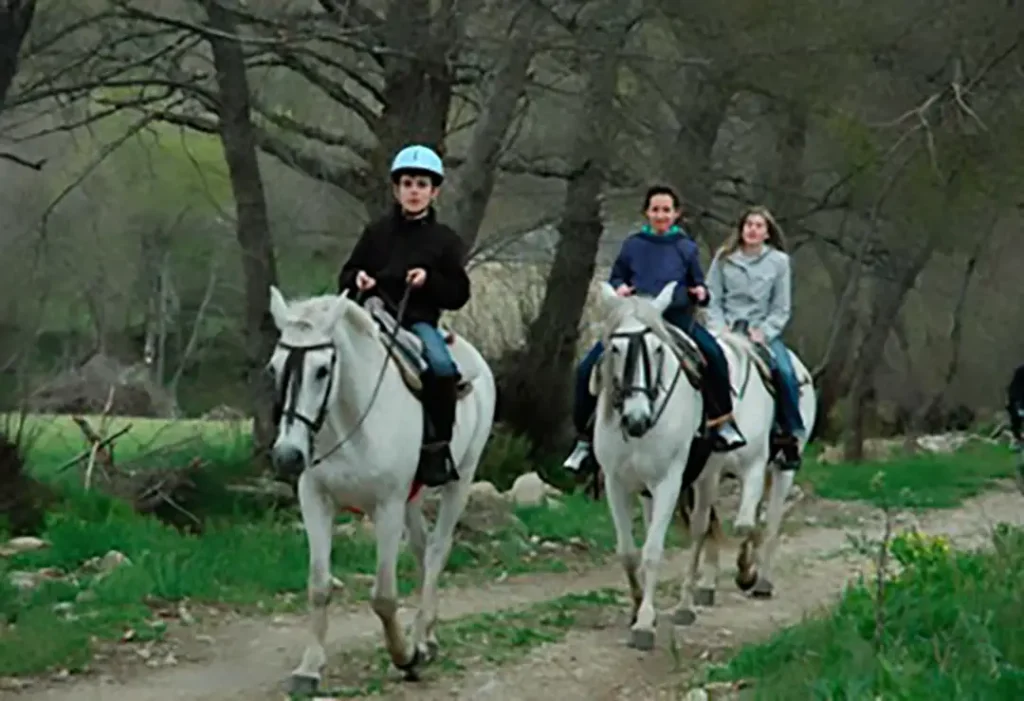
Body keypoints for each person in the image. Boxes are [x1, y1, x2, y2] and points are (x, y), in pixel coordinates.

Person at [563, 185, 747, 472]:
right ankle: (584, 440)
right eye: (655, 210)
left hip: (676, 319)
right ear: (647, 212)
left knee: (714, 355)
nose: (660, 215)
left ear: (676, 214)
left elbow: (698, 282)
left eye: (666, 210)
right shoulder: (633, 244)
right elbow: (616, 278)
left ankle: (722, 422)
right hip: (635, 319)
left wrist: (700, 292)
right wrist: (619, 288)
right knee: (588, 368)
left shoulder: (686, 247)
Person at [336, 144, 470, 487]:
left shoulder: (445, 240)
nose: (414, 191)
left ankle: (437, 450)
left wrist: (429, 281)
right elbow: (348, 272)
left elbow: (459, 292)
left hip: (416, 321)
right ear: (397, 189)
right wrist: (358, 279)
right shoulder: (376, 232)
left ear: (434, 191)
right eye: (408, 183)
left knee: (442, 368)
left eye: (422, 184)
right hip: (370, 316)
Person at [705, 206, 804, 469]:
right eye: (749, 224)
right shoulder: (724, 258)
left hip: (760, 333)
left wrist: (765, 332)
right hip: (724, 331)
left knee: (784, 372)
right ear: (741, 228)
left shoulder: (779, 262)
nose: (753, 229)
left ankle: (788, 434)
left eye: (759, 226)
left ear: (767, 232)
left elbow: (781, 308)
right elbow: (711, 297)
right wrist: (718, 327)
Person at [1007, 364, 1024, 449]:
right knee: (1017, 421)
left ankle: (1017, 440)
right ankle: (1017, 441)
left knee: (1017, 422)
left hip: (1016, 401)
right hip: (1018, 401)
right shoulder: (1021, 371)